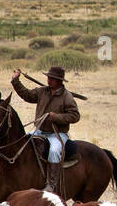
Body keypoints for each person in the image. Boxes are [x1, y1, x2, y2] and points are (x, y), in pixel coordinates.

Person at [11, 66, 81, 194]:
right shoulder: (42, 91)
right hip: (39, 131)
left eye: (52, 79)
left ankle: (51, 185)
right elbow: (26, 95)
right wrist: (16, 81)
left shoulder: (67, 97)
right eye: (49, 78)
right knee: (23, 144)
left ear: (60, 81)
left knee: (54, 151)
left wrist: (56, 117)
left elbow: (75, 116)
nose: (49, 81)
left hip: (57, 134)